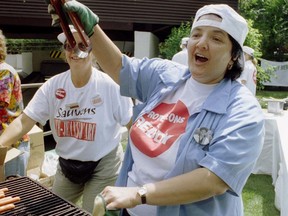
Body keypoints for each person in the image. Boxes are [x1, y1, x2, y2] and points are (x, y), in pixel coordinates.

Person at [49, 2, 265, 216]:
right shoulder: (166, 76)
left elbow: (213, 180)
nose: (201, 44)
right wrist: (90, 28)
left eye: (216, 38)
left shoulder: (243, 111)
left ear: (234, 57)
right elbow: (119, 67)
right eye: (196, 34)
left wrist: (139, 194)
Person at [0, 25, 133, 213]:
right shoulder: (52, 87)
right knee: (53, 212)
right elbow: (24, 121)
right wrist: (1, 144)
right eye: (69, 45)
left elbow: (132, 124)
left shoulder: (110, 86)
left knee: (91, 211)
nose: (75, 50)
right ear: (64, 52)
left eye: (82, 45)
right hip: (68, 165)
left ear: (93, 51)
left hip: (103, 164)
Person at [0, 29, 30, 178]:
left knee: (13, 192)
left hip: (13, 144)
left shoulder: (4, 72)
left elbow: (1, 104)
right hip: (4, 144)